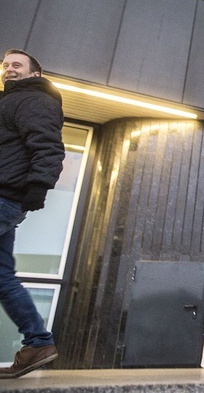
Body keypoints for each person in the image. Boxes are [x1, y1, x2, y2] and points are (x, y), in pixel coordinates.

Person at [0, 49, 64, 379]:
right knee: (1, 276)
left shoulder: (32, 99)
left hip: (4, 195)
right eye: (5, 65)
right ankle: (38, 341)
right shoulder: (10, 101)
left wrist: (38, 186)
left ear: (34, 74)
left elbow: (48, 145)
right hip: (7, 196)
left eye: (17, 65)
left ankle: (38, 340)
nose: (9, 69)